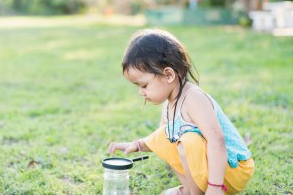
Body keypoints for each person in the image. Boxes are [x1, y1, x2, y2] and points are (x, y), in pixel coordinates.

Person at [108, 29, 254, 195]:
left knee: (188, 141)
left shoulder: (194, 98)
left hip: (232, 169)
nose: (141, 92)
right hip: (215, 168)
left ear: (169, 75)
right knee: (167, 136)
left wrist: (215, 187)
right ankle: (191, 191)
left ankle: (200, 191)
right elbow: (160, 139)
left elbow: (217, 141)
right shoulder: (169, 105)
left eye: (144, 85)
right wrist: (137, 145)